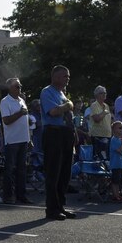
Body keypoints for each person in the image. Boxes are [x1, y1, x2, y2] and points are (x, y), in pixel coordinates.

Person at [40, 65, 77, 221]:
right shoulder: (47, 91)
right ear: (54, 77)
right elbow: (53, 111)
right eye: (64, 76)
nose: (67, 78)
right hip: (53, 133)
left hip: (65, 133)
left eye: (68, 76)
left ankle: (61, 205)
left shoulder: (62, 93)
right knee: (54, 172)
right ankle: (52, 209)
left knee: (64, 173)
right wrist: (67, 105)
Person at [0, 77, 31, 204]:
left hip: (23, 139)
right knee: (10, 169)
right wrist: (20, 113)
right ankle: (8, 196)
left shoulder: (22, 100)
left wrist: (29, 138)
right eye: (17, 86)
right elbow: (6, 121)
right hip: (12, 140)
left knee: (22, 169)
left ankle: (21, 195)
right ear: (10, 88)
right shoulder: (5, 101)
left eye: (20, 86)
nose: (20, 88)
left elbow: (26, 121)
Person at [85, 86, 113, 160]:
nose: (104, 94)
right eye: (101, 93)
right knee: (98, 158)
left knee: (106, 158)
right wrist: (104, 113)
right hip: (98, 136)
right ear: (96, 95)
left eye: (105, 93)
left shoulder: (106, 106)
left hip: (108, 135)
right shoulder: (94, 105)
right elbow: (96, 119)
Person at [108, 120, 122, 202]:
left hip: (121, 164)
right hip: (115, 164)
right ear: (114, 130)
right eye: (120, 128)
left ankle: (118, 194)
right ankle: (115, 195)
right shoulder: (114, 140)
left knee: (119, 180)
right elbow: (119, 151)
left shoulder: (119, 139)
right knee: (115, 181)